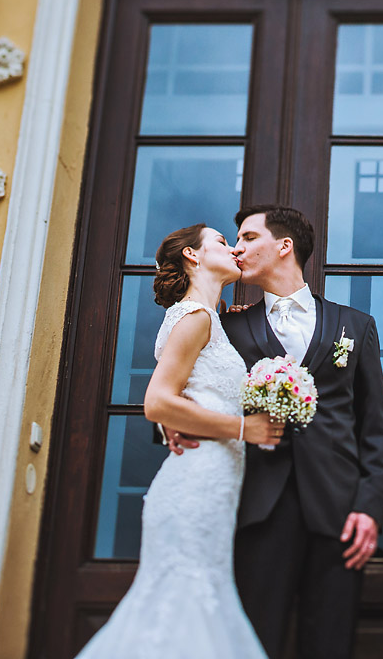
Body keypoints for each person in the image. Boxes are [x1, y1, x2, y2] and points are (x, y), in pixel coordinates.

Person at [166, 205, 383, 659]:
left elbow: (375, 428)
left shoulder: (356, 326)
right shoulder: (225, 326)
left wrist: (369, 508)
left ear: (283, 246)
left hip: (339, 512)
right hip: (256, 507)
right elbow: (190, 387)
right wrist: (174, 419)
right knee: (253, 641)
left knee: (331, 643)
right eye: (234, 240)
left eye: (248, 237)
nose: (237, 247)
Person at [78, 224, 280, 658]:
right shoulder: (195, 318)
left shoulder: (210, 318)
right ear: (193, 255)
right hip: (196, 483)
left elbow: (192, 392)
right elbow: (157, 403)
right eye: (223, 242)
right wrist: (246, 429)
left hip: (212, 485)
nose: (234, 249)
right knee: (186, 604)